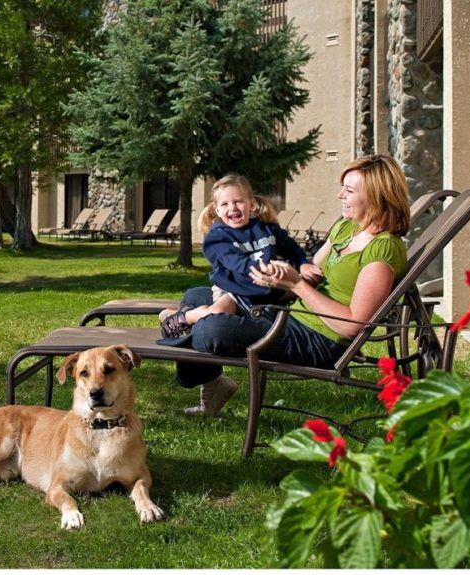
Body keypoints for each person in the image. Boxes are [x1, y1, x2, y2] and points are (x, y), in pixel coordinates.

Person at [164, 155, 411, 417]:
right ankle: (214, 383)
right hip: (292, 313)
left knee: (211, 329)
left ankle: (187, 327)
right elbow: (310, 272)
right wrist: (273, 278)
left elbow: (354, 325)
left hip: (320, 338)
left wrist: (296, 286)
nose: (340, 194)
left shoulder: (383, 248)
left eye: (349, 190)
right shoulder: (346, 228)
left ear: (376, 195)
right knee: (196, 294)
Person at [158, 174, 323, 341]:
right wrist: (262, 269)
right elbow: (234, 262)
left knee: (305, 286)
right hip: (234, 288)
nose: (232, 208)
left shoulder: (267, 229)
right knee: (218, 313)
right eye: (225, 204)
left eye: (238, 201)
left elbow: (291, 248)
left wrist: (302, 264)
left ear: (251, 204)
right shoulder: (217, 237)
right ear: (217, 209)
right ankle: (187, 317)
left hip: (266, 287)